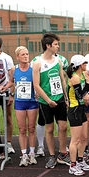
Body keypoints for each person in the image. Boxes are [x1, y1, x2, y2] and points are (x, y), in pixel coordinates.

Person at [33, 33, 70, 169]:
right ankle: (52, 156)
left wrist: (66, 98)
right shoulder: (38, 63)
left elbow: (62, 80)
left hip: (59, 98)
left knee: (63, 127)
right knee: (49, 129)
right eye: (55, 44)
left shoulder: (58, 61)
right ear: (48, 46)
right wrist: (48, 100)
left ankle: (63, 154)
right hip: (45, 101)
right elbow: (36, 85)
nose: (58, 46)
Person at [4, 46, 38, 167]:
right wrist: (6, 88)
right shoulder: (14, 69)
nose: (25, 56)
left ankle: (32, 153)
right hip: (20, 102)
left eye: (27, 54)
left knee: (32, 128)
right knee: (22, 129)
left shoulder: (33, 68)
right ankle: (24, 154)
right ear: (17, 57)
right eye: (23, 54)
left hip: (32, 101)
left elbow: (37, 83)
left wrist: (38, 92)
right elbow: (12, 81)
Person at [66, 54, 89, 176]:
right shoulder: (75, 78)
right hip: (74, 109)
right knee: (75, 139)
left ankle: (80, 160)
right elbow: (80, 95)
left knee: (84, 137)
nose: (86, 65)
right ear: (79, 65)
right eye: (84, 63)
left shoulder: (82, 75)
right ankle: (72, 165)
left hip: (81, 109)